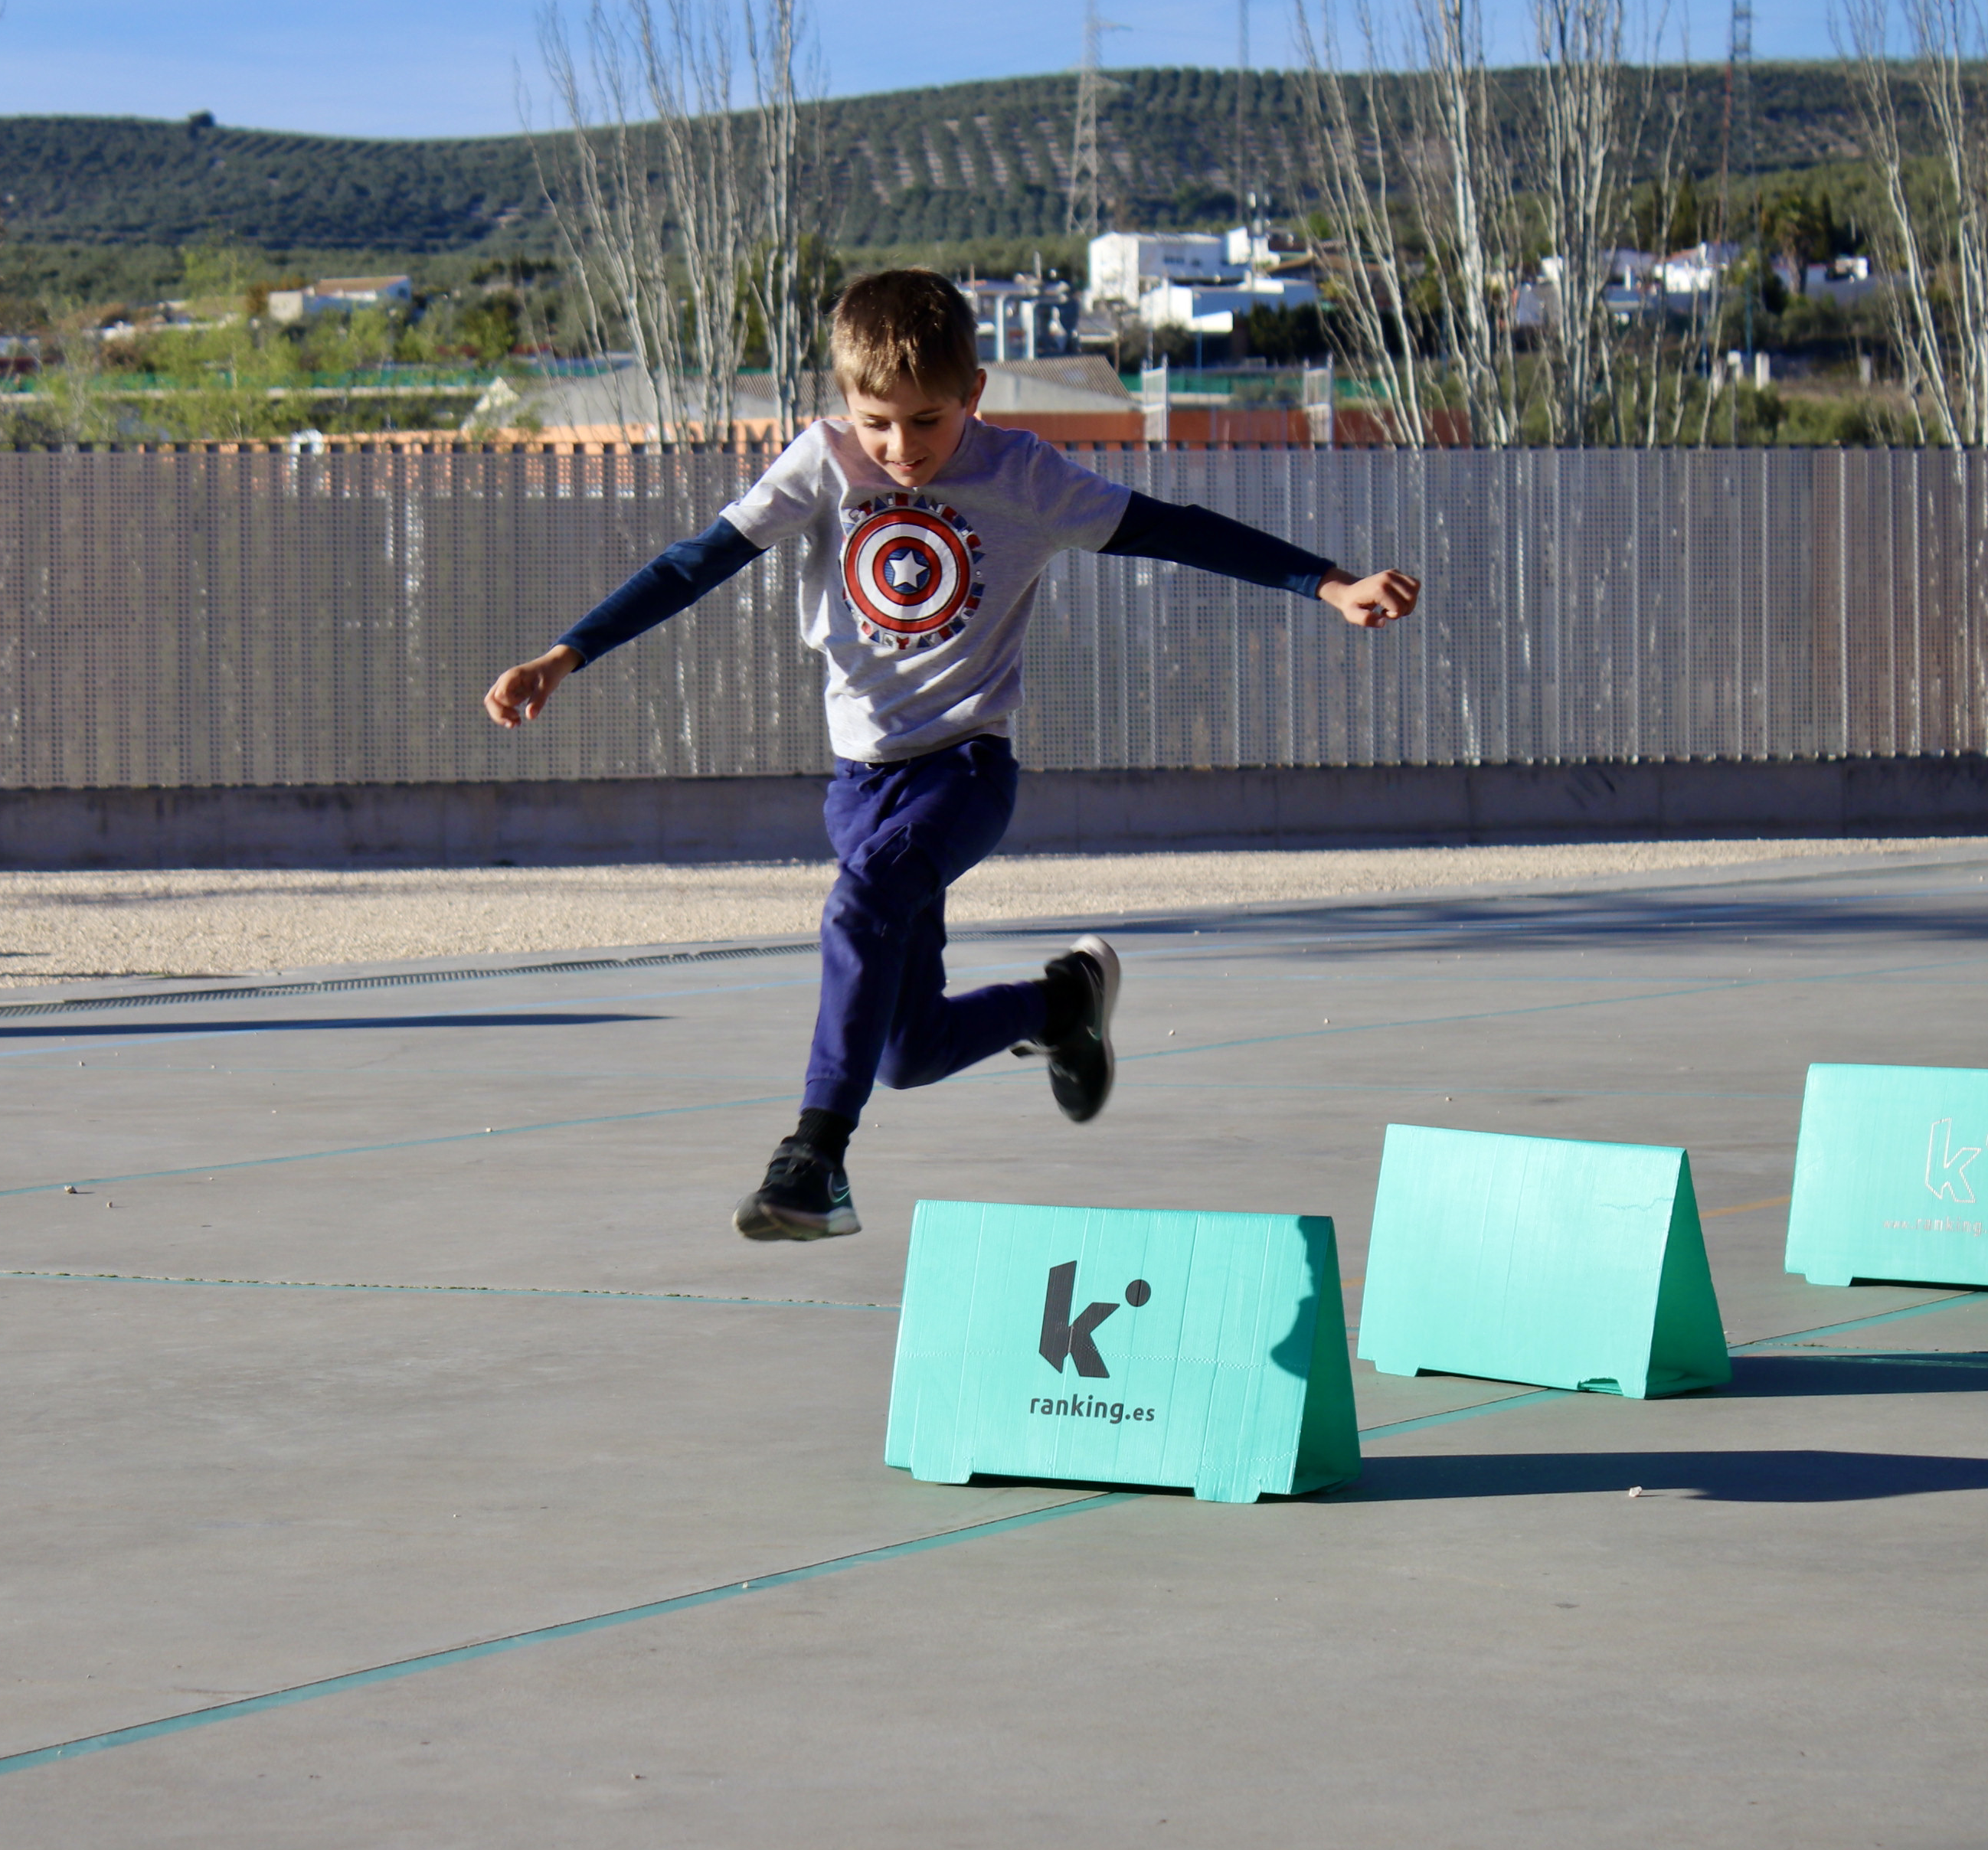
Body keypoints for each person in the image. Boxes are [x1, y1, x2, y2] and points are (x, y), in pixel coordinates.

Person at [484, 269, 1420, 1242]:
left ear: (972, 395)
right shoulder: (823, 463)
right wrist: (566, 653)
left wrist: (1327, 584)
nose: (900, 450)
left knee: (859, 904)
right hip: (859, 788)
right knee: (906, 1050)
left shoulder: (1024, 476)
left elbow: (1171, 530)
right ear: (844, 405)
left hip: (965, 771)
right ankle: (1062, 1001)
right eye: (876, 423)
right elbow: (696, 561)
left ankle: (816, 1158)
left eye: (926, 423)